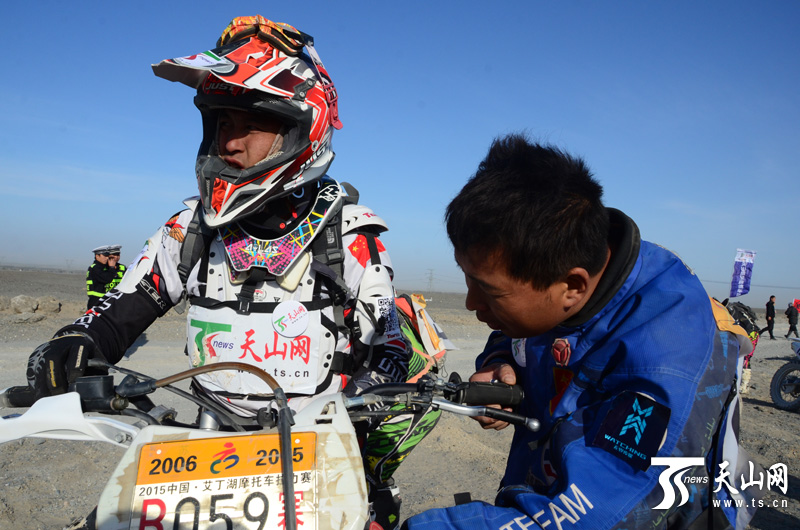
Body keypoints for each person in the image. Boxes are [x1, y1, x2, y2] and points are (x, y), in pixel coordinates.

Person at [24, 15, 428, 530]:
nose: (228, 143)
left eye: (248, 125)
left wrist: (366, 393)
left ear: (299, 129)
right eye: (221, 124)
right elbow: (121, 309)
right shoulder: (191, 228)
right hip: (204, 455)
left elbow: (391, 342)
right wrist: (75, 342)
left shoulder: (347, 234)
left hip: (314, 458)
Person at [404, 135, 759, 530]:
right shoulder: (569, 266)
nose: (472, 303)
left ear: (572, 287)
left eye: (489, 291)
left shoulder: (666, 360)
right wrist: (502, 359)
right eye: (468, 278)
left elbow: (591, 514)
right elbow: (523, 330)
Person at [85, 244, 124, 310]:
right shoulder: (95, 268)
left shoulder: (104, 267)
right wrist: (112, 268)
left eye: (107, 256)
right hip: (96, 301)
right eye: (105, 256)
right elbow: (107, 279)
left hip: (107, 300)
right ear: (97, 256)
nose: (107, 258)